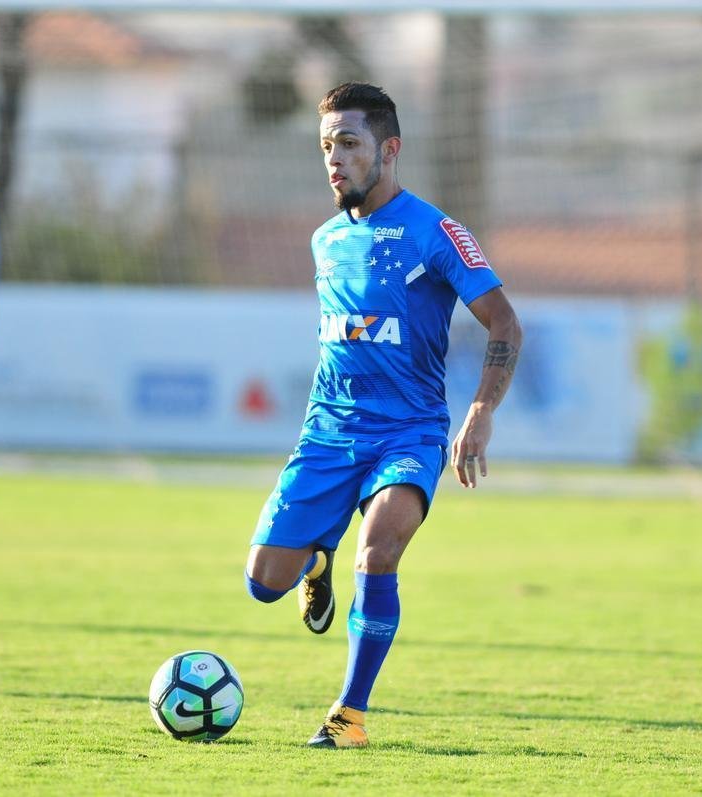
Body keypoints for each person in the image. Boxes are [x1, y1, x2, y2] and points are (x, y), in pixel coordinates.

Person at [243, 83, 522, 748]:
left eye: (348, 143)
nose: (334, 159)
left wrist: (481, 410)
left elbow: (504, 322)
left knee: (382, 547)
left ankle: (349, 715)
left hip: (409, 432)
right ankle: (316, 561)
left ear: (389, 149)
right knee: (263, 583)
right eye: (326, 146)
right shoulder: (324, 241)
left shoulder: (437, 232)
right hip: (328, 434)